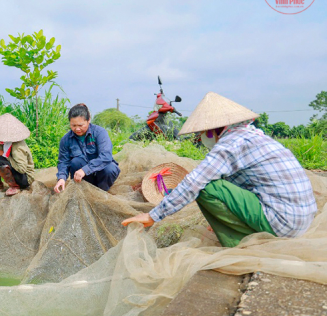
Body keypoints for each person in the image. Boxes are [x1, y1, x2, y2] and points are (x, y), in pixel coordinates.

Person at [122, 92, 318, 247]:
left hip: (283, 223)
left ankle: (241, 242)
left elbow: (194, 182)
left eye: (201, 133)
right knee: (220, 183)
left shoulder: (230, 144)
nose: (201, 137)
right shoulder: (252, 135)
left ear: (213, 130)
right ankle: (243, 229)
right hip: (301, 220)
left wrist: (152, 216)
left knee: (207, 187)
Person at [54, 103, 120, 193]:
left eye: (80, 125)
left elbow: (106, 156)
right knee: (75, 162)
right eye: (73, 125)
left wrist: (85, 170)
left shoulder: (99, 133)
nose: (77, 129)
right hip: (84, 178)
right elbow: (63, 162)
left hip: (101, 174)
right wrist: (61, 178)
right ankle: (83, 192)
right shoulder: (66, 139)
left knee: (110, 168)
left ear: (88, 120)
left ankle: (103, 192)